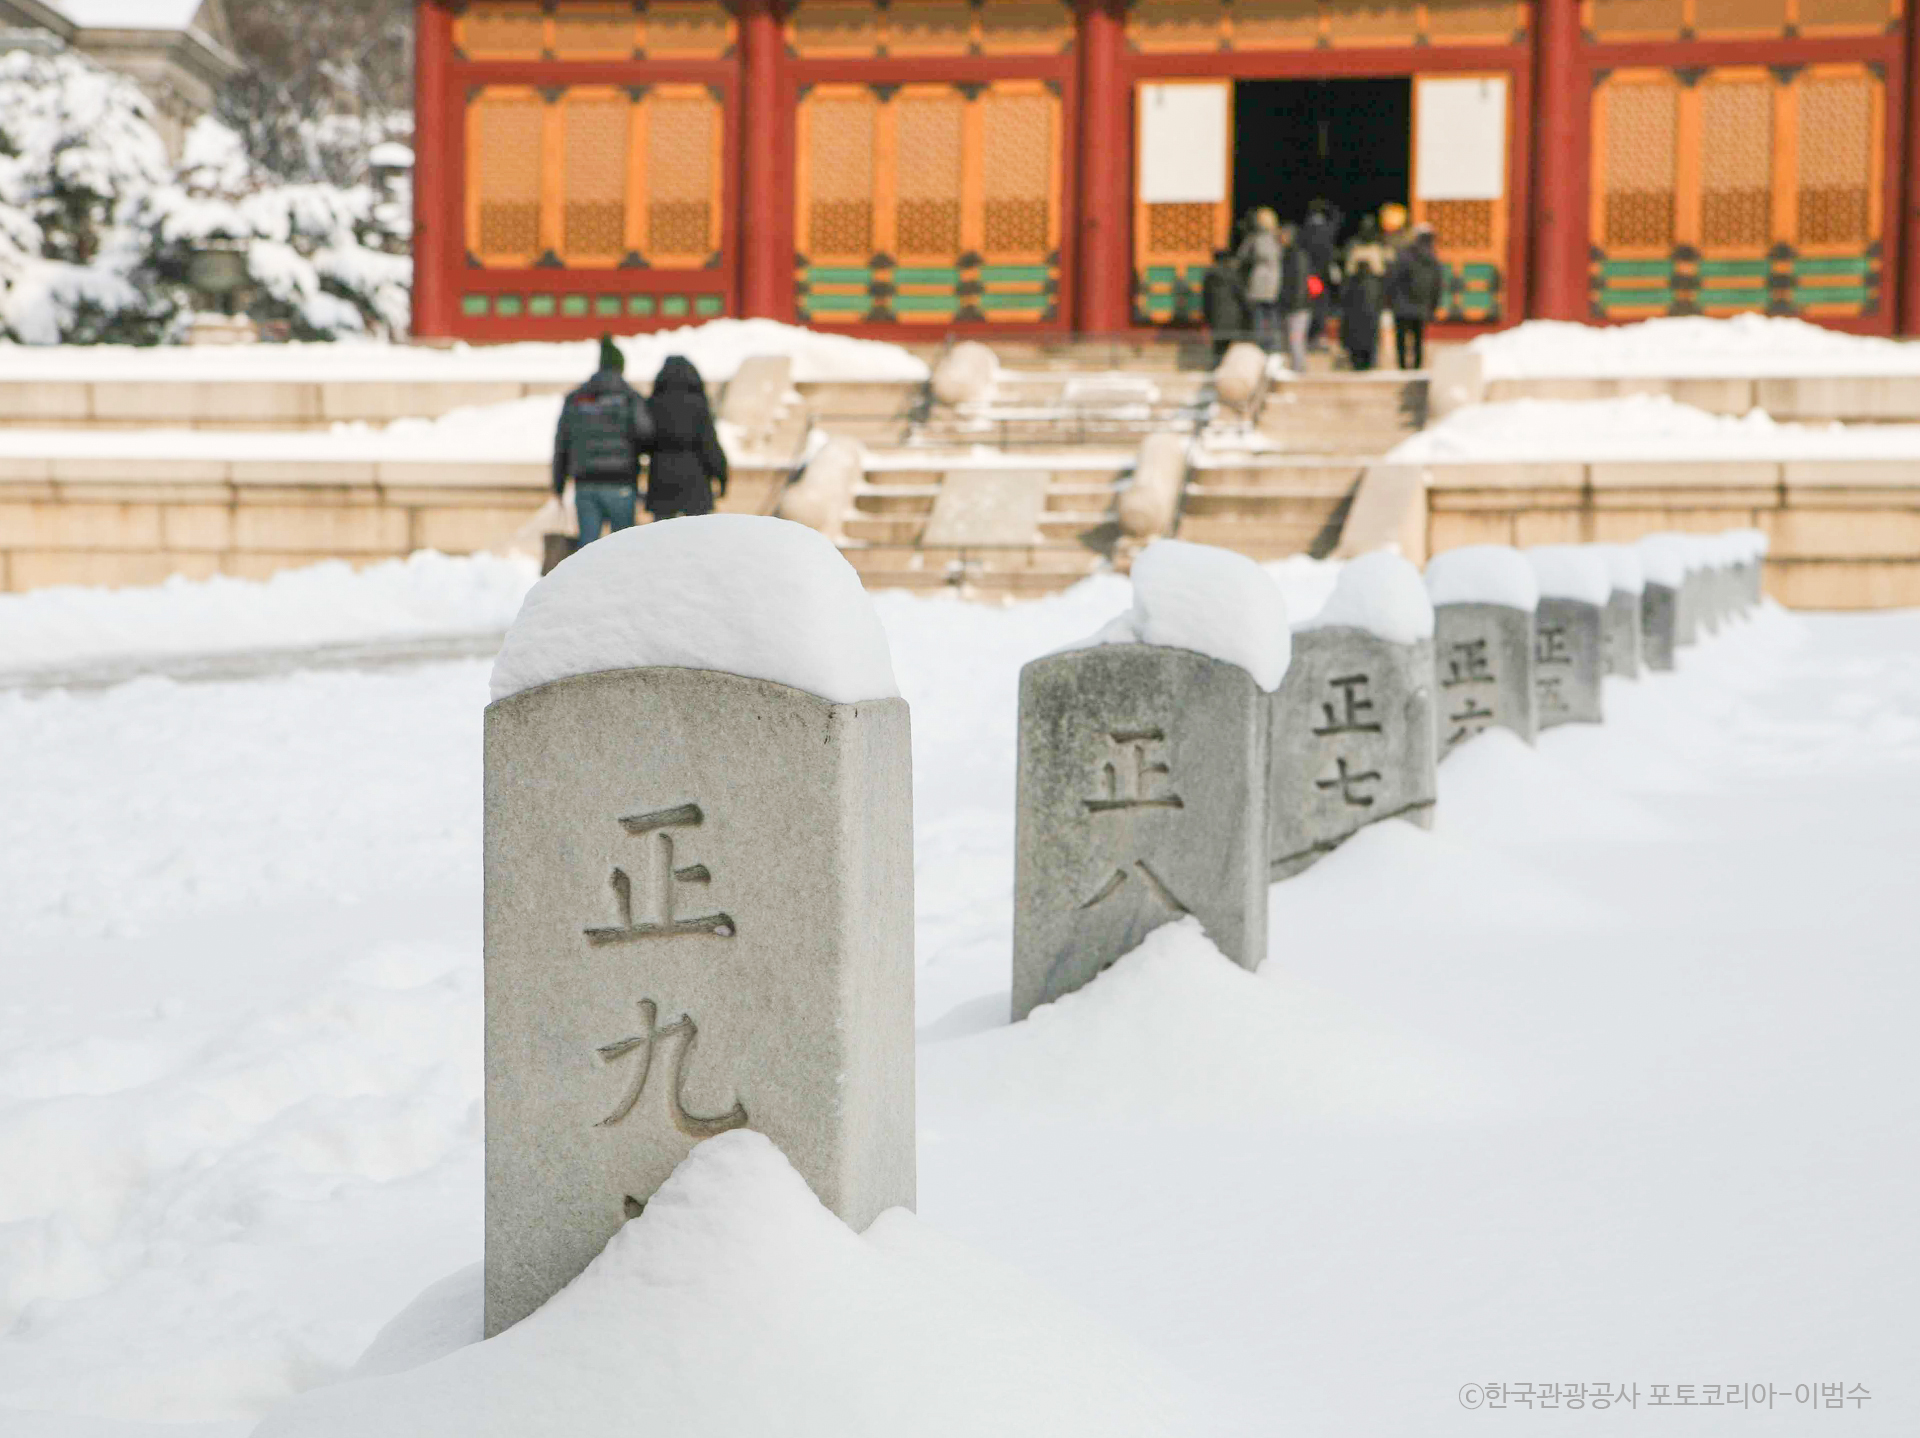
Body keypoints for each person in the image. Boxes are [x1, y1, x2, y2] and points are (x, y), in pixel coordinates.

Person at [553, 333, 654, 545]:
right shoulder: (630, 398)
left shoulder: (577, 398)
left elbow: (562, 443)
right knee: (624, 548)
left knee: (588, 549)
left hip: (585, 484)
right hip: (621, 483)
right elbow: (647, 435)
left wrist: (558, 484)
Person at [644, 354, 729, 520]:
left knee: (662, 537)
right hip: (695, 478)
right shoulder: (699, 404)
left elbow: (644, 440)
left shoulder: (653, 404)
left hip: (662, 478)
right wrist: (722, 476)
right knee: (697, 537)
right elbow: (709, 444)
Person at [1385, 225, 1448, 371]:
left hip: (1401, 304)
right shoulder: (1432, 258)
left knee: (1401, 338)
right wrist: (1433, 306)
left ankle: (1402, 366)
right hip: (1422, 305)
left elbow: (1393, 279)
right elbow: (1437, 285)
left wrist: (1389, 300)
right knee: (1418, 338)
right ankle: (1417, 367)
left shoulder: (1404, 255)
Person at [1340, 217, 1390, 372]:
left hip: (1370, 298)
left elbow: (1382, 273)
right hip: (1358, 299)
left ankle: (1368, 360)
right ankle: (1357, 360)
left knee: (1370, 332)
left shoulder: (1377, 248)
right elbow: (1348, 273)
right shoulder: (1354, 247)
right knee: (1357, 332)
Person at [1234, 207, 1283, 354]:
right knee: (1272, 317)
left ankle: (1259, 347)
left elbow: (1241, 257)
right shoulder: (1277, 239)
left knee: (1258, 317)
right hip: (1275, 281)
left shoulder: (1254, 239)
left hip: (1258, 282)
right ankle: (1273, 347)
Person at [1300, 198, 1343, 347]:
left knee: (1310, 307)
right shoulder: (1327, 229)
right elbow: (1338, 218)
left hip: (1310, 274)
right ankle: (1317, 336)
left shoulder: (1305, 230)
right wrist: (1329, 207)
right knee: (1321, 307)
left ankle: (1309, 337)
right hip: (1323, 275)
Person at [1200, 247, 1249, 364]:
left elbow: (1206, 298)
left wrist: (1206, 315)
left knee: (1218, 347)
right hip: (1233, 316)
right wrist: (1247, 313)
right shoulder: (1233, 274)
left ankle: (1217, 369)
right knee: (1231, 348)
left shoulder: (1209, 276)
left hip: (1216, 316)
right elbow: (1241, 295)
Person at [1278, 222, 1313, 373]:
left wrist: (1294, 304)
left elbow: (1299, 283)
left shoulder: (1298, 256)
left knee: (1296, 340)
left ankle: (1298, 370)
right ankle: (1294, 368)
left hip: (1299, 306)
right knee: (1290, 340)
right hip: (1292, 305)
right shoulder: (1287, 255)